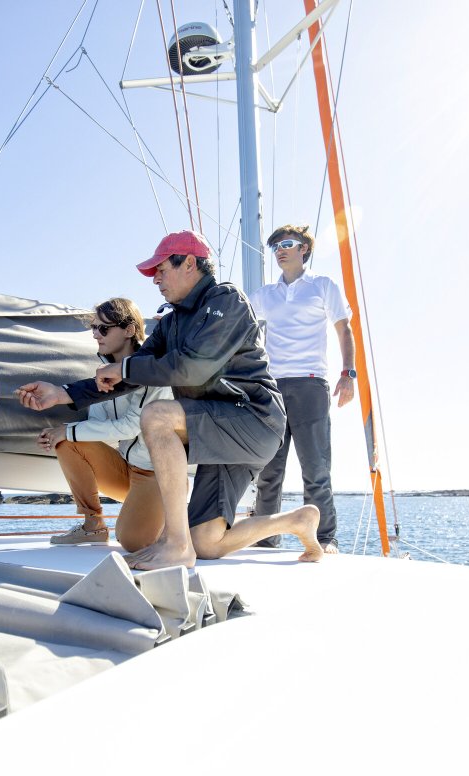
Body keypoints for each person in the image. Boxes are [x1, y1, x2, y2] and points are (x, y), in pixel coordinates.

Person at [17, 230, 323, 571]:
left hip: (253, 420)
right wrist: (63, 393)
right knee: (207, 542)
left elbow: (193, 368)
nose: (155, 280)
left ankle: (175, 545)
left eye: (160, 270)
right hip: (217, 430)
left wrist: (127, 368)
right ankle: (297, 521)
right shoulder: (173, 321)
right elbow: (127, 375)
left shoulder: (226, 301)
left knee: (157, 416)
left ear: (189, 263)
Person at [29, 298, 170, 552]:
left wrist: (69, 430)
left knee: (132, 542)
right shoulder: (104, 372)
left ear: (129, 330)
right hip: (127, 469)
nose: (96, 334)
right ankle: (92, 526)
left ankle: (168, 518)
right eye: (94, 328)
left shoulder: (151, 369)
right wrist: (58, 433)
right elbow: (97, 424)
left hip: (157, 474)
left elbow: (131, 426)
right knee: (66, 441)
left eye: (104, 328)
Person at [248, 224, 354, 554]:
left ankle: (325, 539)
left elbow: (343, 329)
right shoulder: (267, 295)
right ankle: (266, 539)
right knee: (269, 469)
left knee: (316, 468)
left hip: (311, 385)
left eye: (288, 244)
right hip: (273, 388)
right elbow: (237, 316)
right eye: (276, 246)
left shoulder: (322, 287)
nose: (280, 249)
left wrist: (347, 373)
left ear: (304, 249)